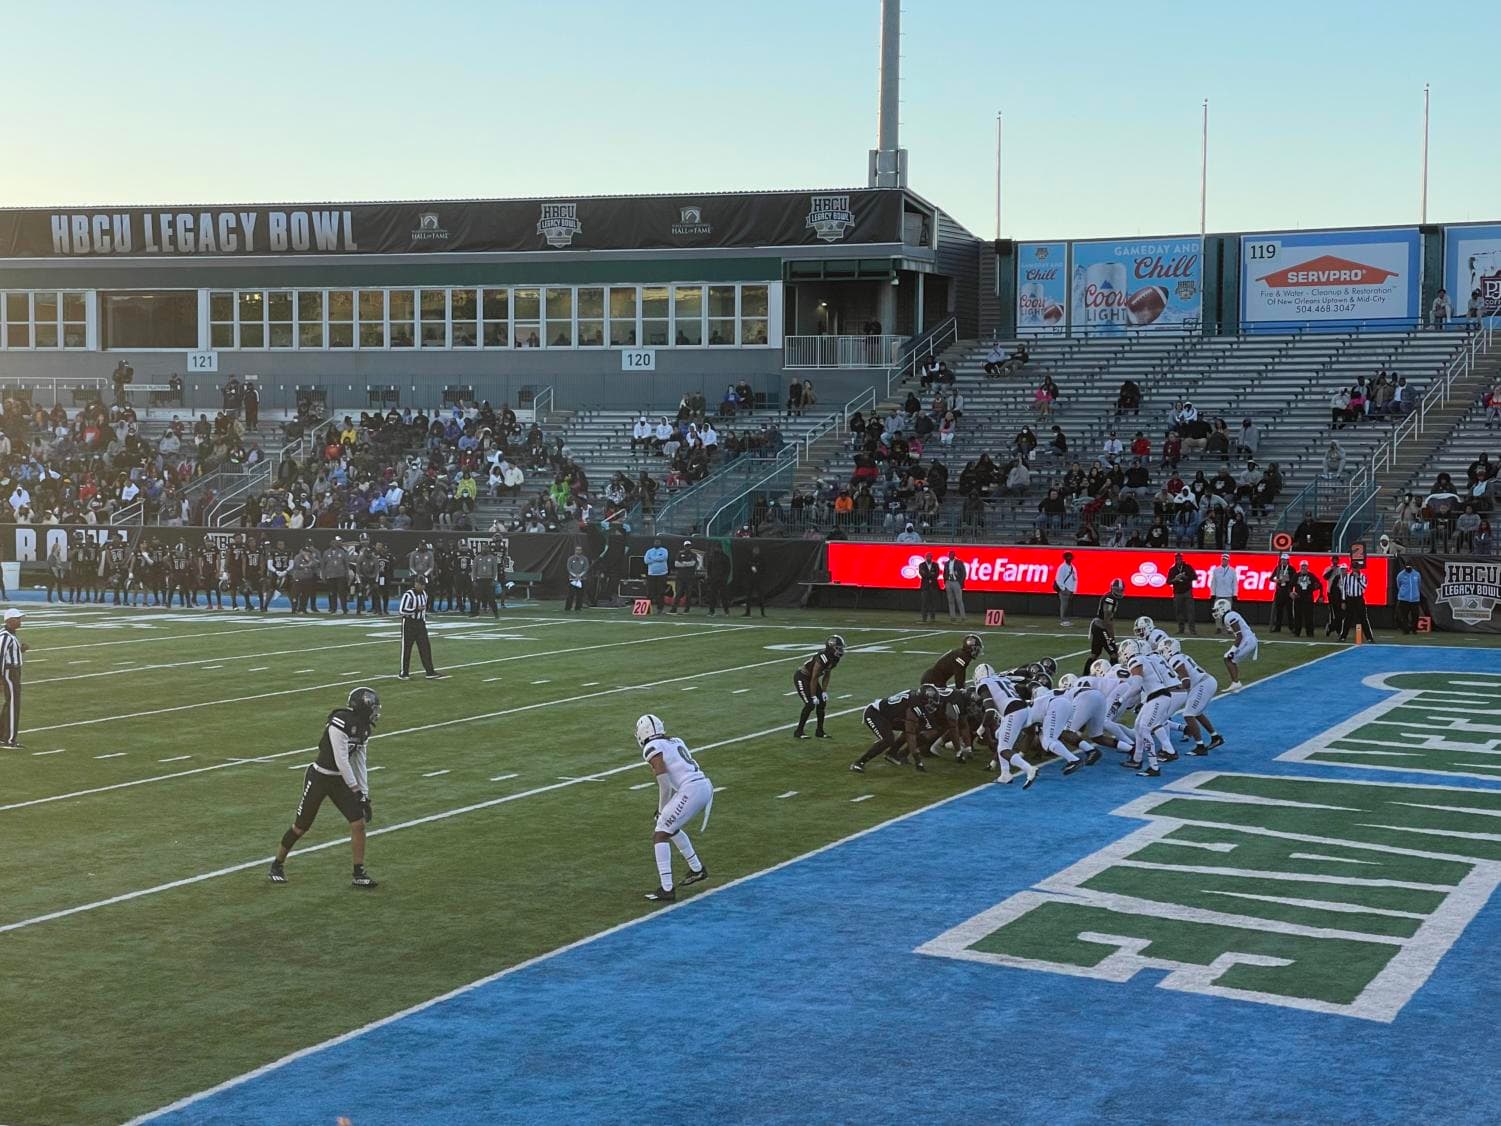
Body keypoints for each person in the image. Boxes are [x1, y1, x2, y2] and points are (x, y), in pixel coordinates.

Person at [267, 687, 381, 888]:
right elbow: (341, 759)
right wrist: (355, 789)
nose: (375, 711)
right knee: (301, 826)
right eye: (373, 707)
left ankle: (358, 872)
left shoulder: (364, 728)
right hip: (320, 777)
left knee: (358, 823)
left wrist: (364, 794)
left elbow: (360, 761)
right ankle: (277, 864)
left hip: (340, 782)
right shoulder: (340, 722)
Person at [638, 714, 711, 903]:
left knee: (660, 833)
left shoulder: (652, 748)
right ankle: (696, 869)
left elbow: (664, 783)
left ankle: (667, 888)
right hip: (702, 785)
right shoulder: (674, 741)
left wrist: (662, 809)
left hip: (691, 789)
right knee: (669, 826)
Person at [793, 634, 845, 740]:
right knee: (810, 704)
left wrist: (824, 691)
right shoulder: (823, 657)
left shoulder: (834, 658)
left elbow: (827, 674)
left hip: (811, 678)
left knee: (822, 702)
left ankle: (819, 731)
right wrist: (813, 696)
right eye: (838, 648)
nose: (840, 650)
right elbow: (814, 676)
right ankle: (799, 731)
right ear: (830, 647)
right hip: (802, 677)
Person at [398, 576, 442, 679]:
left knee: (425, 647)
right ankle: (404, 672)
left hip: (420, 624)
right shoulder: (408, 595)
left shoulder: (424, 594)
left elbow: (423, 611)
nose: (423, 587)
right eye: (421, 584)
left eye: (424, 585)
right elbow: (402, 610)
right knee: (406, 648)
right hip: (409, 623)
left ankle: (430, 672)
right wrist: (415, 609)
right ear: (416, 584)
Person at [1212, 598, 1258, 692]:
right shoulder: (1230, 615)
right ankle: (1236, 683)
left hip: (1247, 640)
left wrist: (1233, 650)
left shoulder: (1229, 616)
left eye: (1217, 610)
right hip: (1248, 640)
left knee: (1228, 658)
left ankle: (1236, 683)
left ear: (1222, 608)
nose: (1216, 612)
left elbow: (1239, 635)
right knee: (1230, 659)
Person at [0, 609, 26, 747]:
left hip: (13, 671)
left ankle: (3, 735)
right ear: (9, 621)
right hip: (9, 672)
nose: (20, 621)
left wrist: (20, 650)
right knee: (13, 704)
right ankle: (9, 739)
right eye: (17, 619)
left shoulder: (10, 635)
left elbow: (9, 653)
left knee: (9, 703)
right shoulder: (5, 636)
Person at [1341, 562, 1375, 642]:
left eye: (1356, 568)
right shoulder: (1347, 577)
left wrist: (1358, 578)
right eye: (1353, 568)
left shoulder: (1363, 576)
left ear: (1359, 568)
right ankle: (1343, 636)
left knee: (1363, 618)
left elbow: (1364, 587)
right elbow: (1344, 589)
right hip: (1350, 599)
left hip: (1359, 599)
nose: (1355, 569)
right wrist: (1343, 601)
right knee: (1348, 618)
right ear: (1351, 568)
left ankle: (1369, 637)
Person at [1290, 560, 1325, 638]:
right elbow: (1290, 586)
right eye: (1302, 566)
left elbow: (1319, 585)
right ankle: (1297, 632)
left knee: (1309, 617)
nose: (1303, 567)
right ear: (1300, 567)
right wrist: (1291, 593)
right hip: (1298, 599)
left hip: (1308, 599)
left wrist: (1320, 595)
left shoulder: (1311, 576)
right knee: (1297, 616)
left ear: (1307, 567)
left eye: (1305, 566)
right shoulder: (1296, 575)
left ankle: (1310, 633)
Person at [1167, 553, 1195, 634]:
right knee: (1178, 611)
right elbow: (1168, 582)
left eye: (1180, 559)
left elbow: (1194, 577)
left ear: (1182, 559)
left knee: (1191, 611)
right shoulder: (1172, 569)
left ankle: (1192, 630)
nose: (1178, 561)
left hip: (1187, 591)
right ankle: (1181, 629)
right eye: (1177, 559)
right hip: (1177, 593)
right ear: (1175, 560)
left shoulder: (1187, 567)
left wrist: (1185, 577)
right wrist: (1175, 579)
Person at [669, 540, 698, 614]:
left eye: (689, 546)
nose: (687, 547)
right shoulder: (680, 553)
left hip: (689, 577)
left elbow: (693, 563)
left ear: (690, 546)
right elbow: (676, 564)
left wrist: (683, 563)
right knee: (678, 593)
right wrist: (686, 564)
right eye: (686, 546)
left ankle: (687, 609)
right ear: (684, 546)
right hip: (680, 577)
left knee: (688, 594)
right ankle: (674, 609)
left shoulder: (693, 554)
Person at [703, 543, 732, 616]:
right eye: (716, 548)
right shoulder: (712, 557)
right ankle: (711, 611)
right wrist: (709, 577)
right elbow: (709, 568)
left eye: (717, 548)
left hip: (722, 579)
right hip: (714, 579)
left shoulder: (725, 557)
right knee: (712, 596)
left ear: (720, 548)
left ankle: (726, 611)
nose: (716, 549)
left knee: (724, 596)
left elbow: (728, 568)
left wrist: (725, 577)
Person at [1269, 553, 1295, 632]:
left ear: (1288, 561)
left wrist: (1287, 580)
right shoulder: (1278, 568)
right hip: (1279, 591)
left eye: (1285, 560)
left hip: (1288, 591)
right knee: (1279, 611)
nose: (1283, 561)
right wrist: (1275, 580)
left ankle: (1291, 627)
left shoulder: (1291, 569)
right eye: (1282, 560)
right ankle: (1277, 627)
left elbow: (1294, 580)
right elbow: (1271, 578)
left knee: (1289, 611)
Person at [644, 537, 669, 613]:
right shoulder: (649, 551)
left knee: (661, 592)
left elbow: (664, 558)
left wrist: (653, 559)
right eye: (655, 542)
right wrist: (657, 559)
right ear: (653, 543)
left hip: (662, 574)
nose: (656, 543)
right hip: (651, 574)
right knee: (650, 592)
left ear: (660, 543)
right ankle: (647, 609)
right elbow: (646, 561)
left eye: (658, 542)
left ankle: (660, 609)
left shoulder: (664, 550)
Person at [1396, 559, 1422, 634]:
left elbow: (1419, 585)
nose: (1408, 568)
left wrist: (1416, 593)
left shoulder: (1417, 574)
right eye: (1407, 567)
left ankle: (1414, 629)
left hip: (1415, 599)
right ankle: (1406, 630)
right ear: (1405, 567)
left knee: (1415, 615)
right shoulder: (1400, 575)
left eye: (1409, 567)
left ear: (1412, 567)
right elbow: (1399, 585)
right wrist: (1403, 593)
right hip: (1404, 599)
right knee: (1404, 616)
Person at [740, 545, 766, 617]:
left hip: (758, 580)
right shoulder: (750, 558)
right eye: (755, 550)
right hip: (750, 580)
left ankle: (762, 612)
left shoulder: (761, 559)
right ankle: (747, 612)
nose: (755, 551)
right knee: (748, 596)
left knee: (760, 596)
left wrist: (757, 571)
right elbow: (746, 568)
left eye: (757, 550)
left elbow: (763, 569)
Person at [1053, 552, 1078, 626]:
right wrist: (1063, 589)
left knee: (1067, 605)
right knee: (1064, 605)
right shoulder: (1062, 567)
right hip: (1065, 589)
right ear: (1065, 558)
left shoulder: (1072, 567)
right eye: (1067, 557)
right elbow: (1058, 579)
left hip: (1070, 589)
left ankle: (1065, 620)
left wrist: (1073, 590)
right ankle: (1063, 620)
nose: (1069, 558)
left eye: (1070, 557)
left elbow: (1075, 579)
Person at [565, 543, 590, 612]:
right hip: (572, 579)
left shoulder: (584, 559)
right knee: (571, 594)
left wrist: (580, 575)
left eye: (580, 550)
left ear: (581, 551)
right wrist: (575, 575)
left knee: (580, 594)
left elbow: (586, 568)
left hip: (582, 579)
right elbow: (569, 568)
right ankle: (567, 608)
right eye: (577, 550)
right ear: (575, 550)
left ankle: (578, 608)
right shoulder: (570, 558)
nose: (578, 551)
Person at [943, 552, 967, 623]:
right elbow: (944, 573)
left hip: (956, 582)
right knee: (950, 601)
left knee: (959, 600)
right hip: (949, 582)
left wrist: (960, 582)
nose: (950, 556)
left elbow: (963, 573)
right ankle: (952, 617)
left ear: (954, 555)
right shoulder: (946, 563)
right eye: (949, 555)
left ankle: (963, 616)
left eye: (952, 555)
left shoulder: (959, 562)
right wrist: (945, 582)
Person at [917, 552, 941, 623]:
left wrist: (928, 574)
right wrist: (930, 574)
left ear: (932, 557)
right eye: (927, 557)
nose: (928, 558)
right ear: (925, 557)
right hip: (925, 586)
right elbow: (922, 574)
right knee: (924, 602)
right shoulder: (922, 565)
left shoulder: (935, 565)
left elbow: (936, 574)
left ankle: (932, 617)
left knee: (933, 602)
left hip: (933, 586)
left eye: (930, 557)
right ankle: (924, 617)